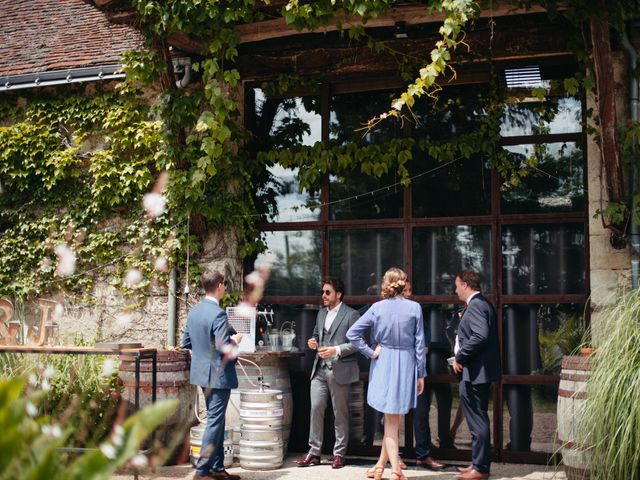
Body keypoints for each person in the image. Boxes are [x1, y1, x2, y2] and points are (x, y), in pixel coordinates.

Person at [347, 268, 426, 480]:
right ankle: (395, 470)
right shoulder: (415, 307)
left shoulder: (377, 308)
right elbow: (420, 344)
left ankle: (384, 466)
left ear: (386, 284)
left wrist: (370, 352)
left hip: (384, 362)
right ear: (403, 283)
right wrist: (421, 374)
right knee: (393, 419)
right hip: (406, 362)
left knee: (392, 419)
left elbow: (352, 333)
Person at [182, 270, 243, 480]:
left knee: (217, 420)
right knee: (215, 422)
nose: (225, 287)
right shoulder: (218, 314)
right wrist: (236, 341)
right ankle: (202, 471)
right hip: (218, 376)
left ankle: (217, 468)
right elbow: (223, 347)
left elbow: (186, 343)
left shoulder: (194, 312)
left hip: (201, 374)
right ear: (219, 285)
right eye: (224, 284)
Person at [296, 277, 360, 469]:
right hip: (320, 369)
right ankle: (314, 452)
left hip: (340, 369)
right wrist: (312, 342)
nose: (323, 295)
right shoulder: (321, 314)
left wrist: (336, 350)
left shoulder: (351, 315)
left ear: (338, 294)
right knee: (315, 408)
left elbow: (357, 343)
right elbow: (316, 335)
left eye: (327, 292)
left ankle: (339, 454)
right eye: (323, 292)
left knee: (340, 413)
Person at [451, 270, 501, 480]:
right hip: (477, 372)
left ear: (465, 284)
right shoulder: (482, 304)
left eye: (456, 286)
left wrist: (460, 357)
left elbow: (480, 335)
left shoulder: (477, 305)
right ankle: (477, 463)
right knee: (477, 418)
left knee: (477, 421)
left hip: (475, 373)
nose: (455, 290)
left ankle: (480, 469)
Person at [404, 281, 445, 470]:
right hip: (395, 370)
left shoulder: (416, 311)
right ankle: (392, 456)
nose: (409, 294)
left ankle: (423, 455)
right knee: (391, 415)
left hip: (415, 371)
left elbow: (425, 339)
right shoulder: (386, 310)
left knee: (421, 413)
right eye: (405, 290)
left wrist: (424, 347)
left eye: (411, 290)